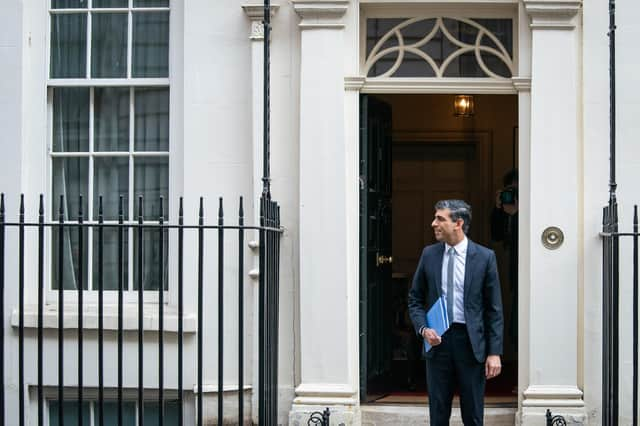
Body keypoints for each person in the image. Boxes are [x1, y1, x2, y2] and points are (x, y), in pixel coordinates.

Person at [408, 199, 504, 426]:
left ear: (458, 223)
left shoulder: (484, 257)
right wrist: (423, 329)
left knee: (472, 413)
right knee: (438, 413)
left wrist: (494, 352)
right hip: (437, 342)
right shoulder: (429, 255)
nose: (433, 223)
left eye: (440, 218)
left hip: (470, 343)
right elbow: (415, 299)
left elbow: (494, 309)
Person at [491, 169, 518, 350]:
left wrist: (517, 213)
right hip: (513, 272)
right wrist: (499, 209)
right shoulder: (504, 211)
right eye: (511, 190)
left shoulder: (534, 208)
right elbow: (496, 235)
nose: (513, 195)